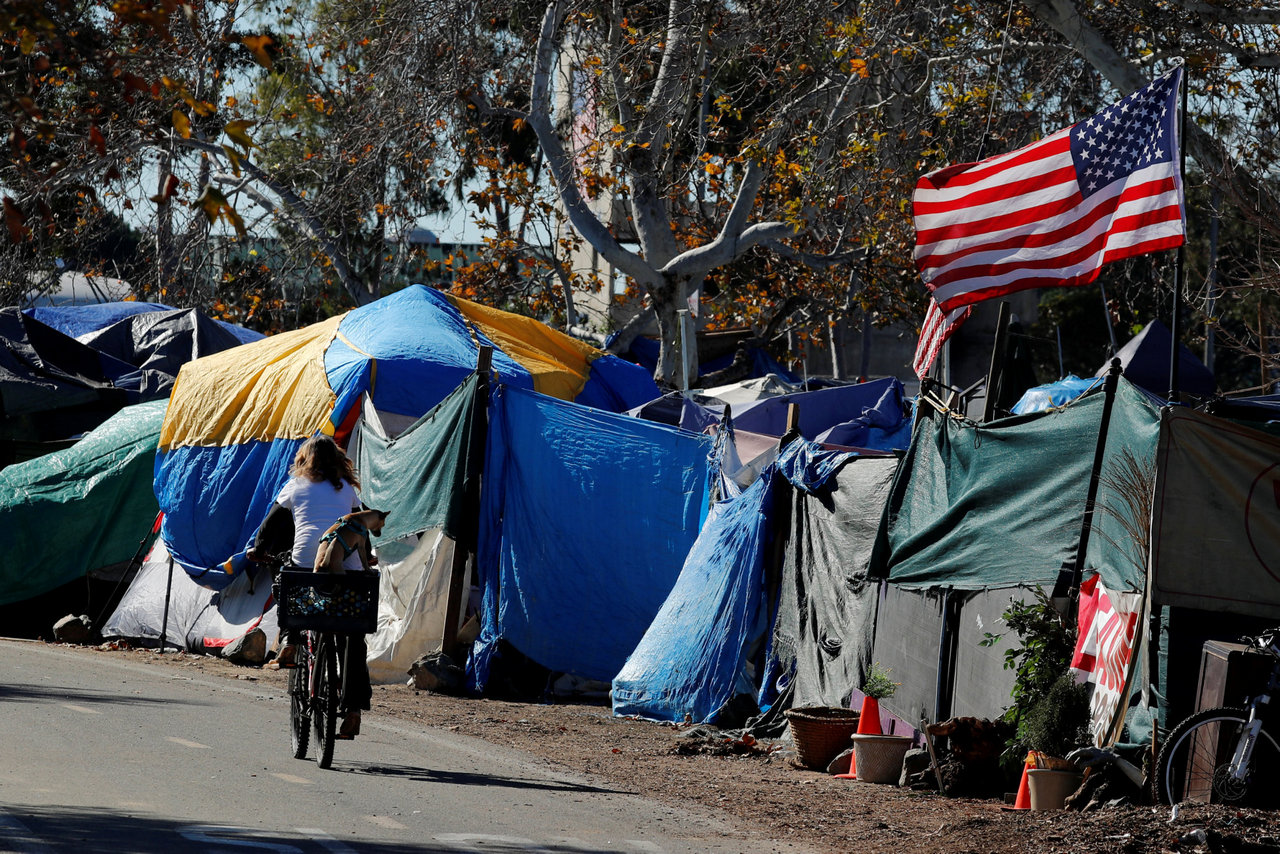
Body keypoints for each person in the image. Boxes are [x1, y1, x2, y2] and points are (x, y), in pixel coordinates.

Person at [255, 434, 375, 739]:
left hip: (306, 564)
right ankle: (353, 709)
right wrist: (368, 555)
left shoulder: (296, 486)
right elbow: (360, 524)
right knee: (353, 641)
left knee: (286, 579)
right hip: (347, 570)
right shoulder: (346, 488)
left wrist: (257, 548)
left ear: (304, 460)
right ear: (338, 461)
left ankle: (290, 638)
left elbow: (270, 524)